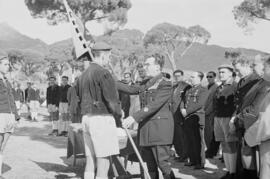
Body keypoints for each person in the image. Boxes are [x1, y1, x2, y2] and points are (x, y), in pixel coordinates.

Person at [123, 56, 175, 179]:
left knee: (163, 165)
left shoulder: (165, 83)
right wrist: (109, 80)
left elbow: (153, 105)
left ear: (157, 67)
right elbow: (130, 88)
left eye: (147, 64)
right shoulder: (146, 83)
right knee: (150, 167)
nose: (144, 67)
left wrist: (133, 117)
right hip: (146, 130)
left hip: (159, 131)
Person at [75, 42, 122, 179]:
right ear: (104, 55)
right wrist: (119, 116)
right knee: (103, 161)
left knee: (90, 160)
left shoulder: (82, 75)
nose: (109, 60)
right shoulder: (103, 73)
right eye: (108, 56)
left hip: (86, 118)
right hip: (102, 118)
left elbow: (77, 98)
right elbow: (111, 100)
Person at [233, 57, 270, 179]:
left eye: (264, 67)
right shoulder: (261, 83)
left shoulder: (266, 86)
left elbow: (256, 111)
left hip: (260, 131)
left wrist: (239, 120)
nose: (261, 70)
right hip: (256, 129)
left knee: (263, 167)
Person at [213, 64, 238, 179]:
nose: (220, 74)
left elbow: (237, 105)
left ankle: (233, 172)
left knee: (231, 144)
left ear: (230, 73)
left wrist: (233, 119)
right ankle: (228, 171)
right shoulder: (220, 87)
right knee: (224, 144)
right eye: (220, 72)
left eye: (223, 72)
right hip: (218, 117)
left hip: (228, 118)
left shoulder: (235, 86)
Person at [180, 71, 208, 169]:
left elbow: (200, 104)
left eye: (193, 77)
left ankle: (200, 162)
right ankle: (192, 160)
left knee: (198, 141)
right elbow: (183, 101)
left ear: (199, 79)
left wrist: (187, 111)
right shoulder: (188, 90)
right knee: (190, 140)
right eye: (190, 76)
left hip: (197, 118)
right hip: (187, 118)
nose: (191, 78)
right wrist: (182, 109)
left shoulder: (203, 90)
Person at [0, 51, 19, 177]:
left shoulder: (7, 81)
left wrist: (16, 116)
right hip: (1, 114)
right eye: (5, 64)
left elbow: (11, 98)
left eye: (8, 65)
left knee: (2, 147)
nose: (8, 66)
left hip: (10, 115)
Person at [171, 69, 191, 162]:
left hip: (181, 115)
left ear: (182, 76)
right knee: (176, 137)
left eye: (179, 76)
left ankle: (184, 155)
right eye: (175, 76)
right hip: (172, 115)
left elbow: (187, 101)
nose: (177, 77)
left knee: (182, 136)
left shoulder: (187, 86)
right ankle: (179, 154)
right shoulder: (173, 86)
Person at [204, 71, 220, 158]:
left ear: (215, 77)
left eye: (210, 76)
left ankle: (213, 151)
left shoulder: (216, 87)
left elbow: (213, 103)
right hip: (205, 113)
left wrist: (207, 112)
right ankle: (209, 149)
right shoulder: (206, 87)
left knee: (211, 133)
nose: (209, 78)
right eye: (207, 76)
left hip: (211, 113)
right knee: (206, 133)